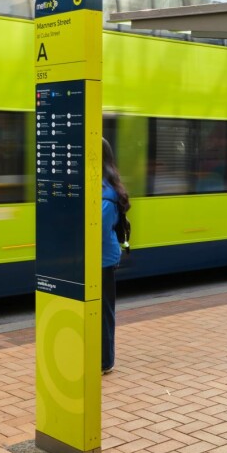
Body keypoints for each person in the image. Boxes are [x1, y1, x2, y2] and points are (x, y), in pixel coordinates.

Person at [101, 137, 129, 375]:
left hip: (102, 259)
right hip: (99, 257)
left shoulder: (105, 192)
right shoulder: (102, 185)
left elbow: (97, 228)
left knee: (103, 312)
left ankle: (105, 360)